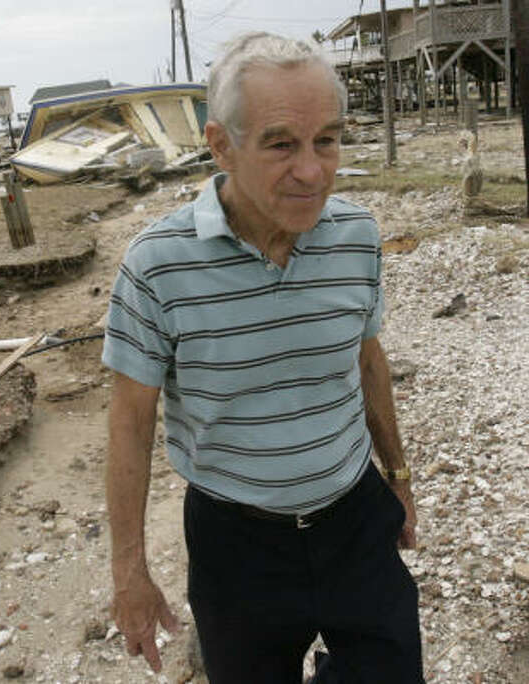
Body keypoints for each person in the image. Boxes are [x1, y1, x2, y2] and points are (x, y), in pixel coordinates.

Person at [102, 32, 423, 684]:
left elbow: (367, 363)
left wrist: (400, 477)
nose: (312, 171)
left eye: (326, 140)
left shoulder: (356, 236)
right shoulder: (156, 266)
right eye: (282, 144)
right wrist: (129, 571)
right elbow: (130, 425)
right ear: (221, 145)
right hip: (235, 544)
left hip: (356, 518)